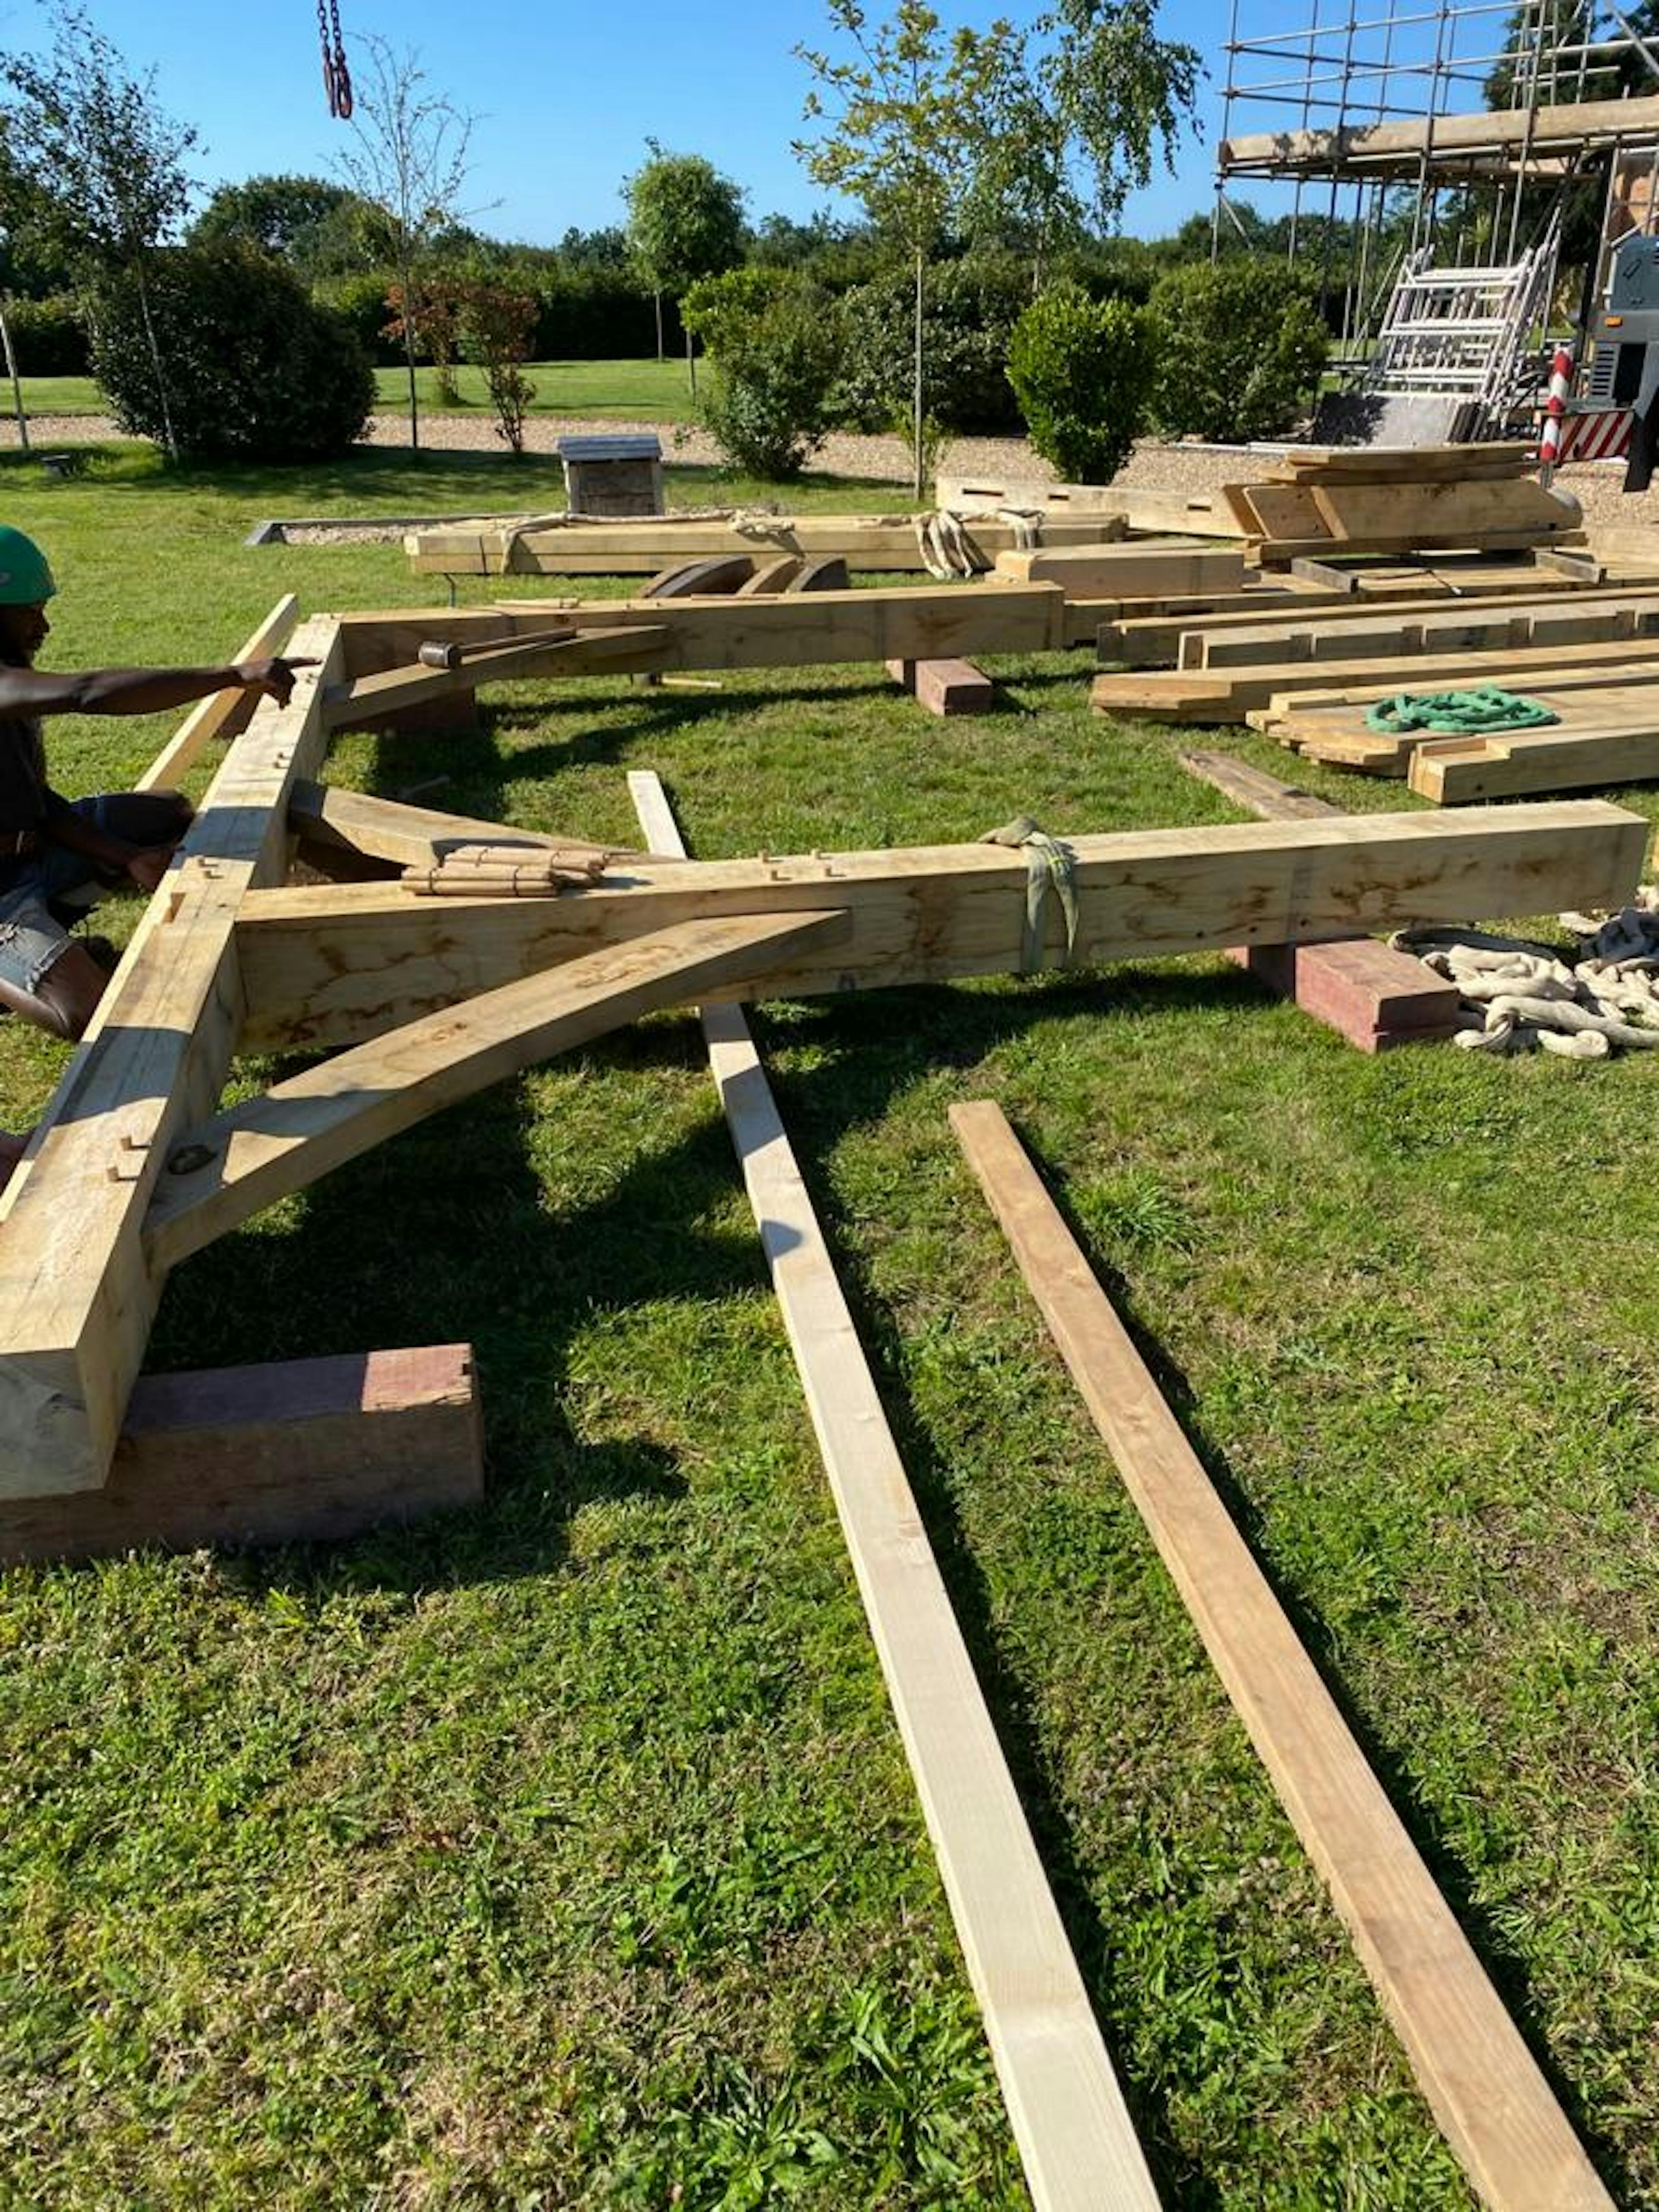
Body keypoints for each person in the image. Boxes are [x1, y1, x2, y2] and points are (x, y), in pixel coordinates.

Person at [0, 525, 311, 1043]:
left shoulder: (11, 675)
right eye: (28, 610)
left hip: (29, 853)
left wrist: (124, 856)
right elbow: (88, 692)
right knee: (90, 1015)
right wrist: (233, 675)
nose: (43, 624)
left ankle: (50, 928)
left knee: (164, 811)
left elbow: (37, 807)